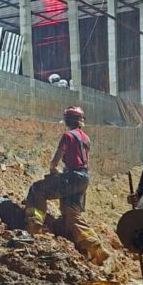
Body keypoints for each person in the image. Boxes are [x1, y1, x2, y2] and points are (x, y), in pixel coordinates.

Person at [24, 106, 108, 264]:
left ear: (67, 120)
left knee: (37, 189)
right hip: (83, 178)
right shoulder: (86, 138)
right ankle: (96, 247)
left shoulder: (68, 136)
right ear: (81, 121)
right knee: (72, 215)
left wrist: (53, 170)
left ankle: (35, 226)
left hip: (72, 175)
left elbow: (55, 161)